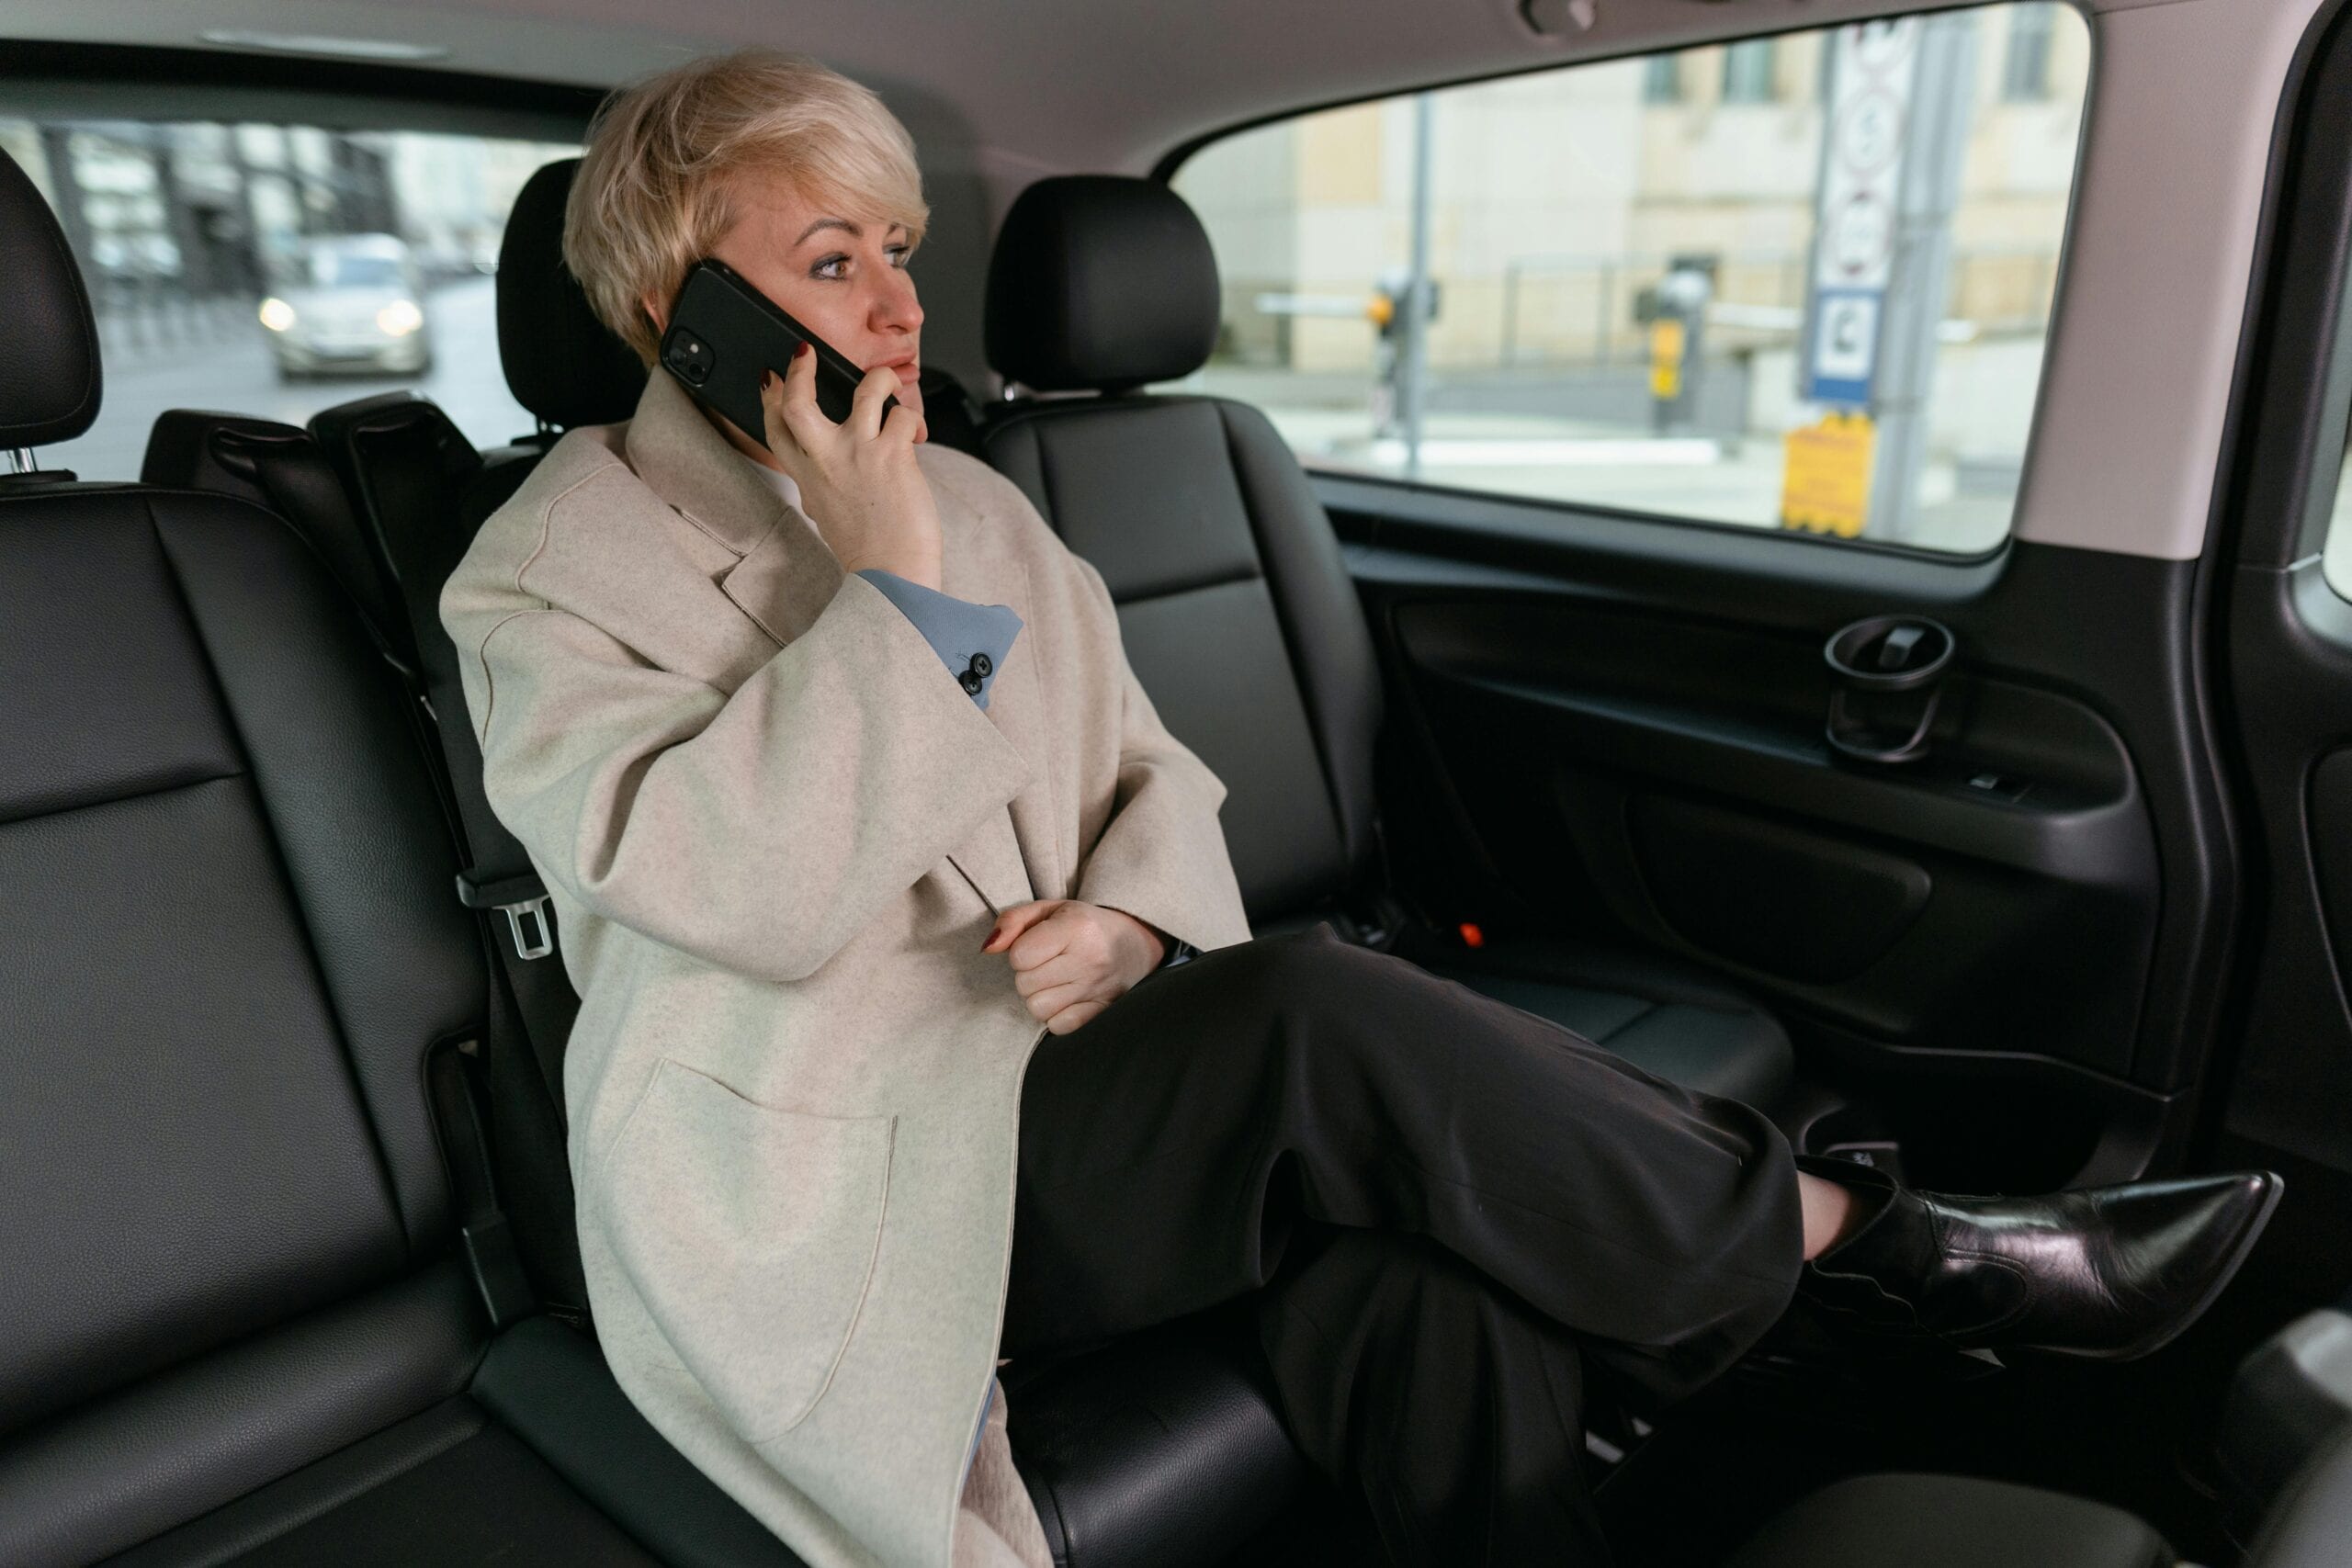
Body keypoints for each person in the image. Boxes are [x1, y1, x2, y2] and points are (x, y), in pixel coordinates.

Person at [439, 47, 2283, 1568]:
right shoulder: (551, 576)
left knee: (1418, 1309)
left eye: (905, 252)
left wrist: (1139, 916)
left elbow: (1154, 771)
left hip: (1069, 1085)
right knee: (1316, 1006)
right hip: (830, 1157)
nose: (904, 305)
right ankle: (1876, 1249)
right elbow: (728, 885)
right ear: (670, 296)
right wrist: (893, 593)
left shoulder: (975, 504)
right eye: (835, 258)